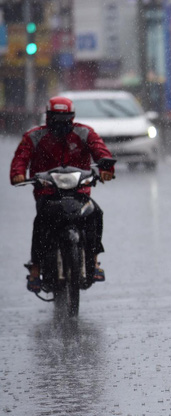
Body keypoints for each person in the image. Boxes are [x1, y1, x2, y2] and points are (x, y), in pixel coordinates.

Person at [9, 96, 115, 292]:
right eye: (57, 118)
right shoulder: (34, 136)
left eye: (65, 118)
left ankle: (94, 260)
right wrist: (18, 174)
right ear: (48, 117)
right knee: (41, 223)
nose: (61, 123)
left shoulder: (84, 133)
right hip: (48, 194)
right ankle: (36, 269)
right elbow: (21, 157)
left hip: (79, 193)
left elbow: (101, 151)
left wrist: (106, 167)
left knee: (95, 214)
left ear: (72, 117)